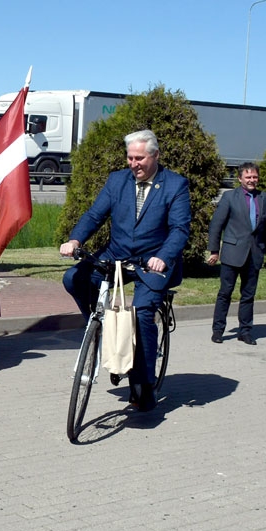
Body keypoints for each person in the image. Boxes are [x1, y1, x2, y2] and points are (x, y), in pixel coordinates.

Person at [59, 129, 190, 411]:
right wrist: (75, 239)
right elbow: (95, 214)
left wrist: (164, 257)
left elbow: (180, 229)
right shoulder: (117, 180)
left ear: (155, 156)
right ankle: (103, 326)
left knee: (143, 313)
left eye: (140, 158)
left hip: (152, 261)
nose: (134, 164)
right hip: (116, 255)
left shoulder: (175, 185)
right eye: (130, 158)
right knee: (74, 278)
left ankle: (143, 384)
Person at [207, 162, 266, 346]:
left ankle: (245, 331)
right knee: (225, 293)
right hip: (232, 253)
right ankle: (218, 330)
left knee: (248, 295)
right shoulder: (230, 197)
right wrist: (214, 250)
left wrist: (262, 248)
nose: (252, 180)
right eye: (248, 177)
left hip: (254, 255)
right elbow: (216, 225)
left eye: (255, 177)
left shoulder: (265, 198)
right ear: (240, 178)